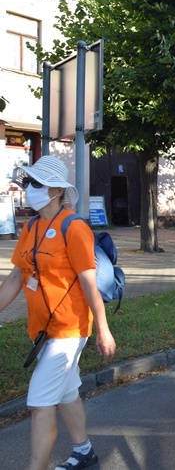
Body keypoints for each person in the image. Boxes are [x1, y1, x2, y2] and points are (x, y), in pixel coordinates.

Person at [0, 156, 116, 470]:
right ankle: (84, 451)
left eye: (36, 183)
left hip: (70, 329)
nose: (29, 189)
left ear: (55, 190)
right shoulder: (31, 226)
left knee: (39, 403)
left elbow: (88, 282)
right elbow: (15, 278)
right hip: (42, 328)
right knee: (66, 392)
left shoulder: (74, 227)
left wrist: (103, 330)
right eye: (28, 183)